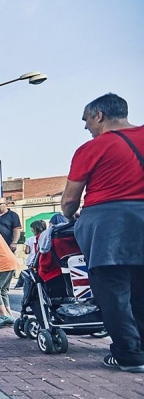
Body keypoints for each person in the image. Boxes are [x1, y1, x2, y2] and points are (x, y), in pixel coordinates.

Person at [61, 93, 144, 373]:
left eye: (87, 122)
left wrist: (69, 214)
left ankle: (129, 355)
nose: (88, 129)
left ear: (99, 115)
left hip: (109, 226)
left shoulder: (94, 148)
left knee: (113, 292)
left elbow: (71, 199)